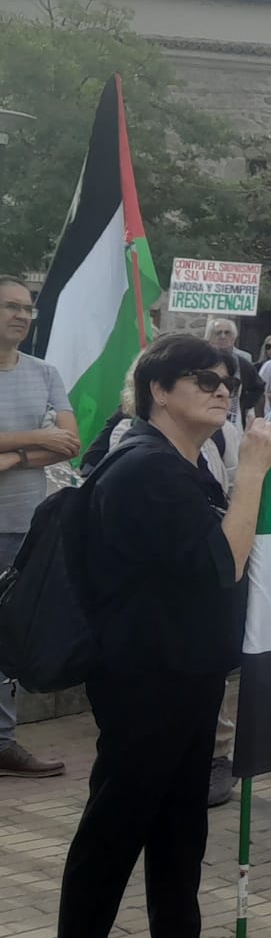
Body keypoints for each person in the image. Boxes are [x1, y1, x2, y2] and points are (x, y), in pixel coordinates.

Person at [46, 336, 271, 938]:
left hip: (188, 675)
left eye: (231, 384)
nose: (223, 391)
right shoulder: (148, 468)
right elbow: (221, 563)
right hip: (144, 679)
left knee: (181, 828)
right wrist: (251, 473)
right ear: (158, 389)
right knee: (113, 832)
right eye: (205, 380)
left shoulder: (181, 464)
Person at [0, 275, 77, 779]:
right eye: (10, 307)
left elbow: (70, 442)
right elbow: (52, 439)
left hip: (22, 529)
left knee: (8, 637)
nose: (22, 316)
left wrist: (12, 456)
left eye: (28, 309)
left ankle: (3, 742)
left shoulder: (44, 372)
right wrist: (36, 442)